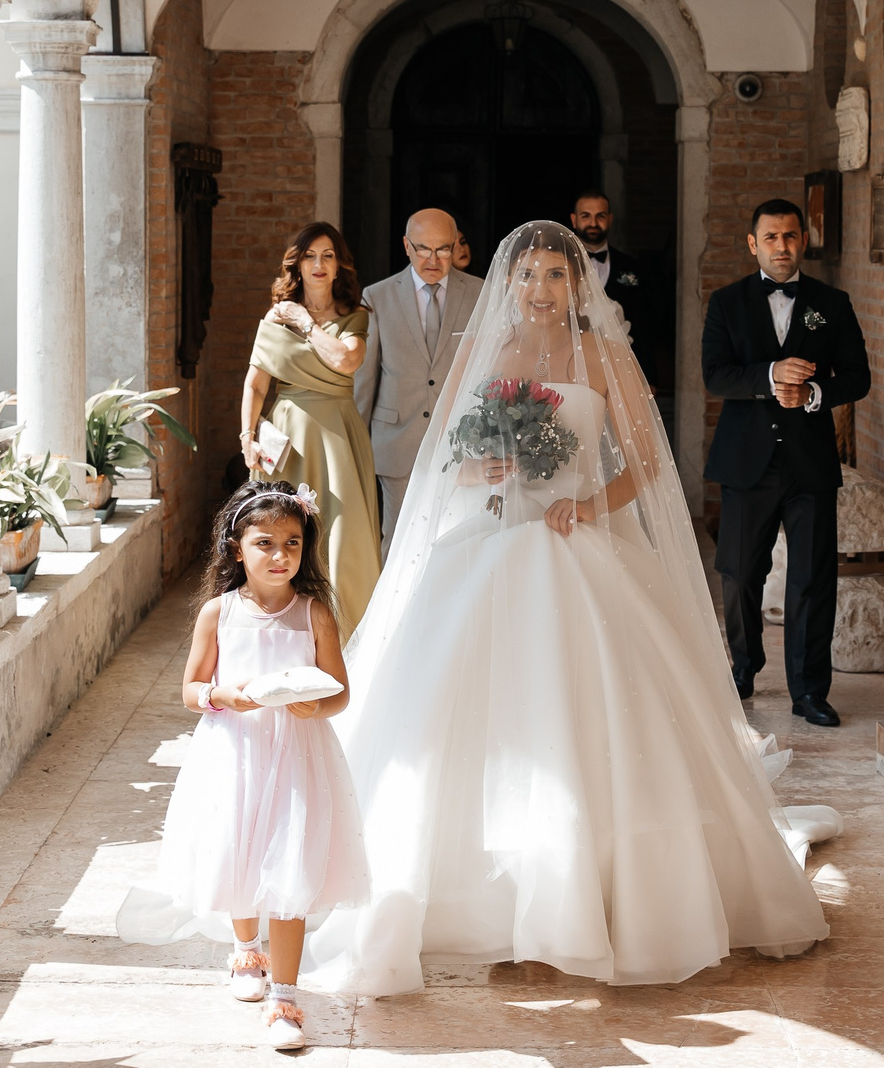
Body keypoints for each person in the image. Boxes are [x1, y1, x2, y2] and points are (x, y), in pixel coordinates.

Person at [307, 220, 835, 996]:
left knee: (597, 708)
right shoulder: (483, 355)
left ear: (576, 285)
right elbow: (444, 453)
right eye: (530, 277)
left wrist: (590, 503)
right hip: (489, 540)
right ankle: (476, 890)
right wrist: (481, 467)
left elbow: (646, 459)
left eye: (558, 276)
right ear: (507, 285)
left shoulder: (607, 357)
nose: (543, 290)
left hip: (577, 539)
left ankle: (599, 889)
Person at [116, 482, 368, 1051]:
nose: (280, 556)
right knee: (239, 845)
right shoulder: (218, 612)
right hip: (234, 748)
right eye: (265, 543)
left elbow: (340, 693)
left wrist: (316, 704)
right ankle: (245, 948)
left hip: (298, 751)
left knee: (288, 863)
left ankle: (285, 997)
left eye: (293, 543)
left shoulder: (314, 613)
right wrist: (222, 696)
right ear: (236, 549)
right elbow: (190, 688)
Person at [702, 198, 871, 726]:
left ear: (804, 240)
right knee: (740, 574)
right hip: (746, 463)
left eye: (791, 236)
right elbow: (716, 377)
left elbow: (858, 377)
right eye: (771, 238)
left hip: (809, 465)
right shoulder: (726, 303)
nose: (782, 247)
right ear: (753, 244)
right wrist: (772, 376)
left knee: (812, 579)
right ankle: (744, 669)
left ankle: (809, 692)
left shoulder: (832, 302)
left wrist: (815, 393)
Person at [240, 222, 380, 637]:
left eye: (328, 256)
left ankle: (346, 631)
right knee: (280, 531)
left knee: (343, 533)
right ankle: (281, 627)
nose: (319, 264)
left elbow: (344, 360)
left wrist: (303, 320)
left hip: (337, 437)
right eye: (310, 256)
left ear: (340, 267)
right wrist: (247, 437)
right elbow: (255, 383)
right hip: (288, 439)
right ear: (297, 264)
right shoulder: (274, 317)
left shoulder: (354, 316)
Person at [355, 207, 481, 543]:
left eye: (443, 249)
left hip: (463, 443)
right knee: (398, 538)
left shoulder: (481, 294)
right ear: (406, 246)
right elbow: (365, 381)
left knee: (456, 538)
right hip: (397, 439)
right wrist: (356, 444)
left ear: (456, 247)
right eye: (422, 248)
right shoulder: (376, 296)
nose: (433, 259)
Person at [570, 191, 653, 347]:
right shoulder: (561, 267)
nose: (593, 223)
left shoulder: (634, 266)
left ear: (610, 220)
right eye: (585, 216)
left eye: (600, 216)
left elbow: (645, 324)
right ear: (574, 220)